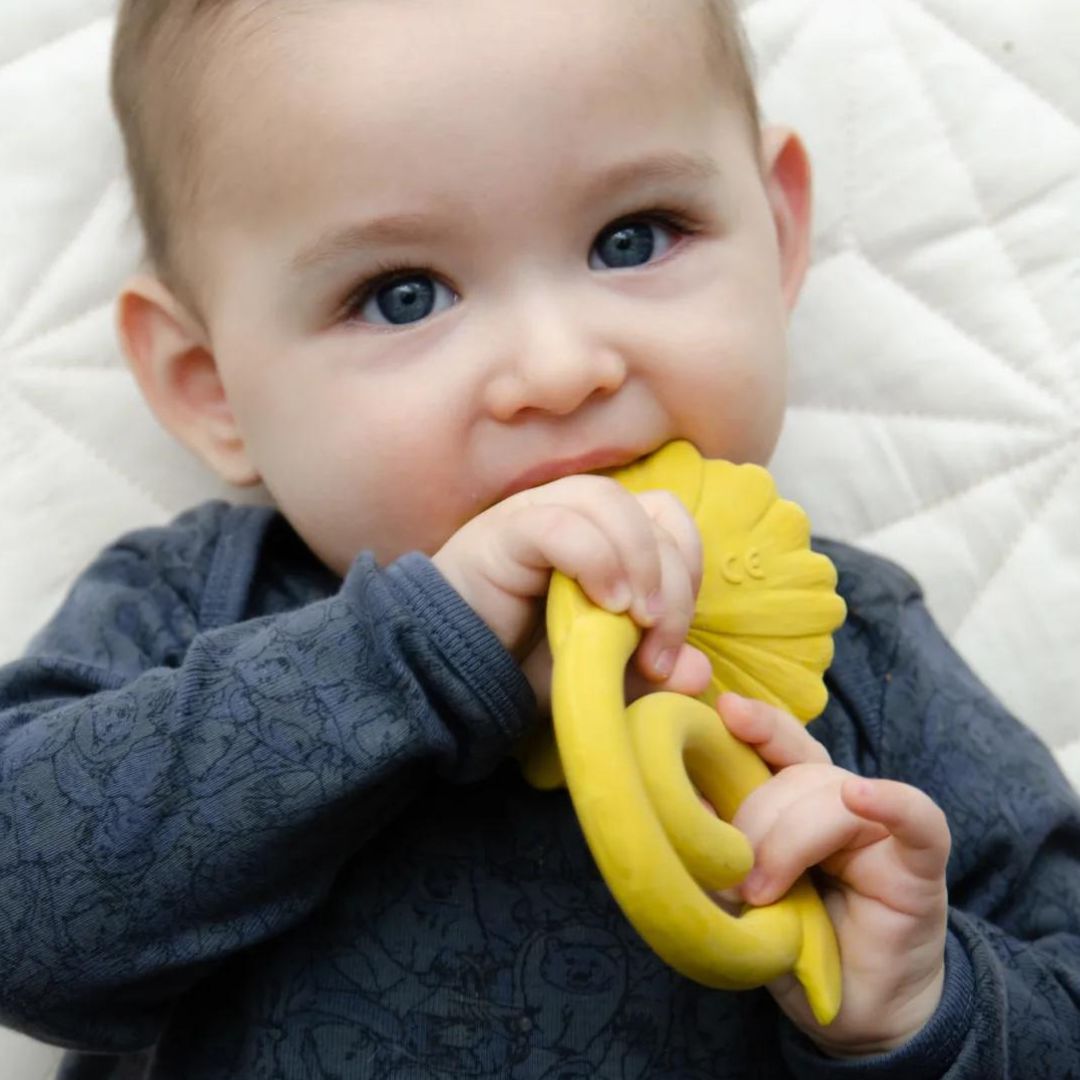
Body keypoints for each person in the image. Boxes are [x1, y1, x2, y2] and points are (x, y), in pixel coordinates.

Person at [1, 0, 1077, 1076]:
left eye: (633, 237)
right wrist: (412, 659)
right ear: (211, 388)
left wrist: (929, 1005)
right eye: (402, 296)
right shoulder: (196, 609)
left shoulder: (850, 639)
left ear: (778, 231)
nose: (562, 369)